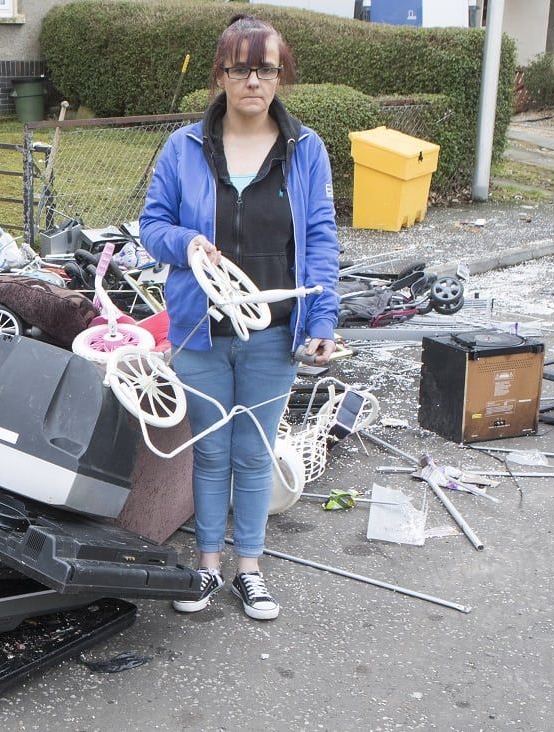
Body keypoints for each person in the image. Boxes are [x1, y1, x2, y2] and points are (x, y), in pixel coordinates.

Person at [139, 14, 339, 620]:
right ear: (220, 75)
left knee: (254, 452)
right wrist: (187, 245)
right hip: (201, 328)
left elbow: (322, 240)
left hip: (273, 332)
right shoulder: (184, 147)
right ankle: (206, 567)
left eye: (266, 69)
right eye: (240, 68)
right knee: (211, 452)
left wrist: (323, 321)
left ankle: (248, 568)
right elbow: (153, 226)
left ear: (281, 76)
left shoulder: (306, 151)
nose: (253, 80)